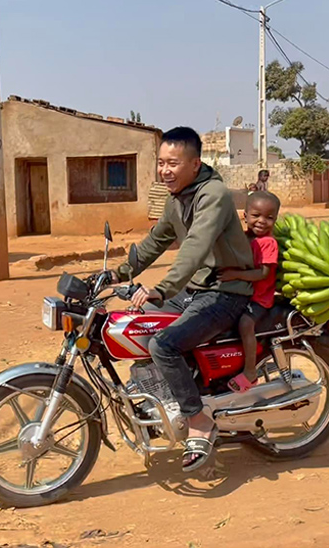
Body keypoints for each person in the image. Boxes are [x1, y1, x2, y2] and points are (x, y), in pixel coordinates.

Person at [112, 126, 254, 472]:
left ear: (195, 163)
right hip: (196, 290)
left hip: (225, 292)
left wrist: (164, 287)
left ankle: (198, 420)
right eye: (161, 163)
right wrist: (117, 272)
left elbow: (195, 247)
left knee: (163, 344)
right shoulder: (176, 200)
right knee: (137, 323)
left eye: (173, 163)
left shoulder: (213, 195)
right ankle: (155, 392)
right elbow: (156, 240)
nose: (165, 170)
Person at [219, 191, 281, 392]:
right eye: (256, 215)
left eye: (269, 217)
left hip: (259, 298)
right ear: (244, 216)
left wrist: (235, 275)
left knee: (246, 324)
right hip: (243, 294)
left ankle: (250, 372)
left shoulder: (268, 243)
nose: (262, 221)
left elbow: (262, 274)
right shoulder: (243, 238)